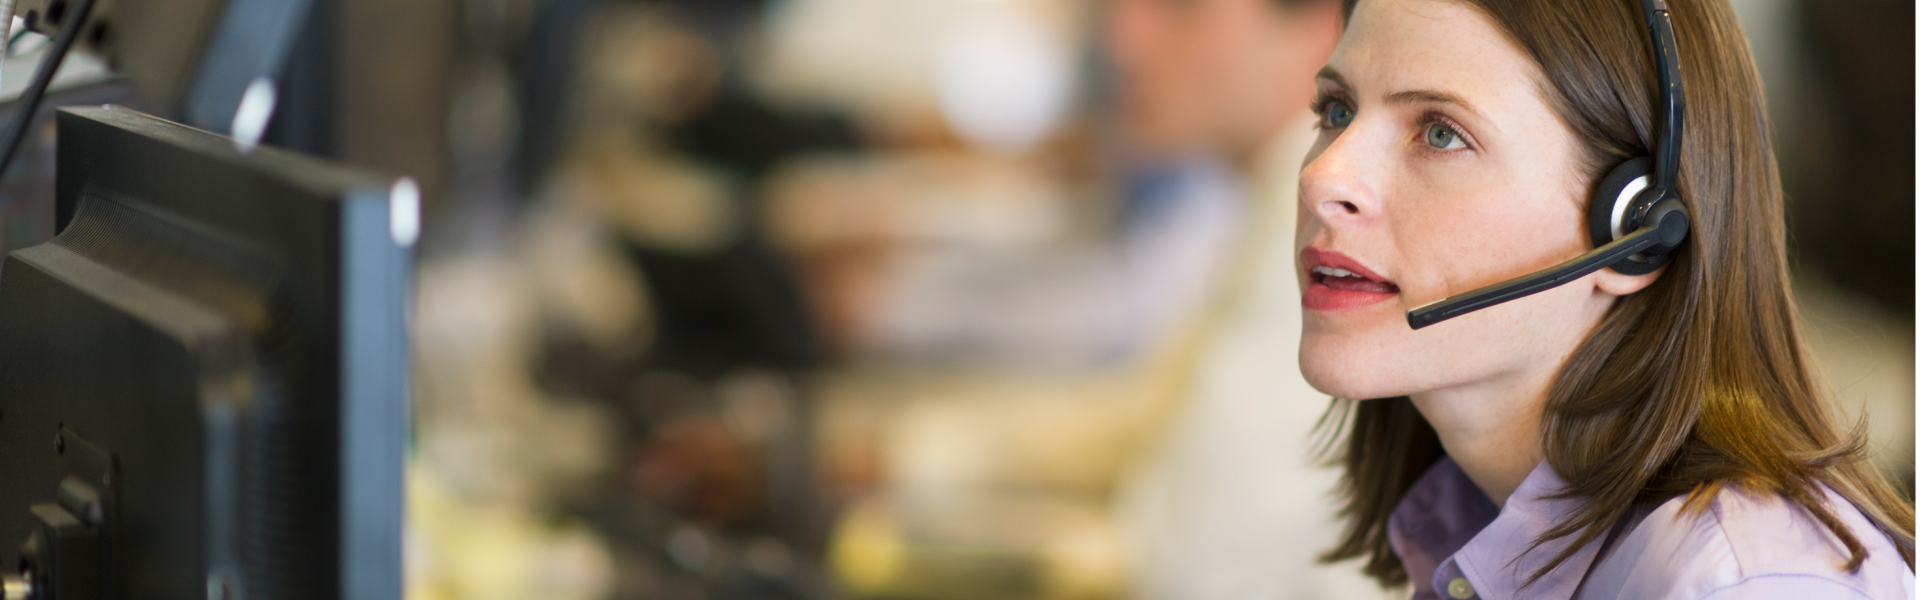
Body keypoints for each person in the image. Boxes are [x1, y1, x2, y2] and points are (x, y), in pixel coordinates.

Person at [1297, 0, 1915, 598]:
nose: (1322, 175)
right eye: (1338, 110)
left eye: (1439, 132)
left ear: (1633, 231)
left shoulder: (1747, 581)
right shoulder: (1476, 526)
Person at [1102, 0, 1405, 599]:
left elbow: (1192, 566)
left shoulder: (1332, 230)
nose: (1124, 42)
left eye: (1178, 11)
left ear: (1323, 27)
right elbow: (1149, 418)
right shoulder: (1255, 204)